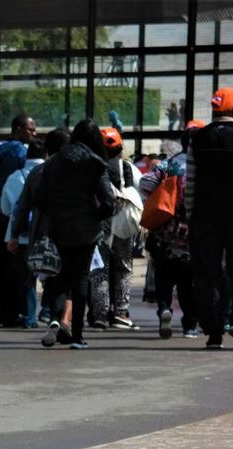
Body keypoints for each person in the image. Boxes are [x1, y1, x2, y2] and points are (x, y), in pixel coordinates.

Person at [187, 87, 233, 348]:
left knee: (208, 273)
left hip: (205, 216)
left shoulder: (197, 139)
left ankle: (213, 332)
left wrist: (190, 215)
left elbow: (191, 185)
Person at [36, 119, 116, 349]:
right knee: (81, 277)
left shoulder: (55, 162)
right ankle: (78, 334)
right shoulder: (95, 163)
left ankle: (56, 318)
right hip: (86, 231)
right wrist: (95, 216)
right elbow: (108, 202)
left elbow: (40, 198)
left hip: (59, 227)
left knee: (61, 276)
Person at [141, 122, 204, 339]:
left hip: (165, 231)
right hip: (193, 234)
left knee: (165, 277)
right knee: (189, 282)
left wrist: (164, 195)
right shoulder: (204, 167)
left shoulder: (169, 164)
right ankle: (190, 325)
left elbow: (145, 184)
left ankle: (165, 308)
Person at [8, 129, 72, 340]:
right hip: (72, 232)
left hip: (43, 233)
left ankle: (55, 317)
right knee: (71, 278)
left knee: (51, 277)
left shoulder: (37, 173)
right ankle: (66, 322)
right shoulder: (74, 171)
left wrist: (15, 235)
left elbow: (22, 206)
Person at [0, 114, 36, 325]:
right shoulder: (20, 151)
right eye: (30, 129)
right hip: (10, 211)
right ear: (18, 129)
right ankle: (15, 312)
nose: (34, 133)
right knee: (13, 266)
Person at [88, 126, 142, 330]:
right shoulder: (128, 167)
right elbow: (141, 188)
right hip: (124, 224)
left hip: (100, 223)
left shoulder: (93, 166)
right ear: (120, 146)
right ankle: (121, 312)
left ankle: (100, 315)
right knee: (123, 268)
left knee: (99, 269)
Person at [1, 140, 47, 329]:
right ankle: (49, 312)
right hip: (45, 233)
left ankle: (29, 317)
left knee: (26, 278)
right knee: (50, 274)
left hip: (18, 235)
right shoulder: (49, 174)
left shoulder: (14, 177)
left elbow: (5, 208)